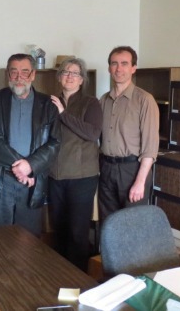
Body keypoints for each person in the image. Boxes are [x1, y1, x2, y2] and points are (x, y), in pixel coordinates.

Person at [0, 53, 61, 237]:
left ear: (33, 74)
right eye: (14, 72)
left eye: (25, 72)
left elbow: (55, 142)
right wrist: (22, 167)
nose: (19, 78)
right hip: (1, 179)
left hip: (32, 182)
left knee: (28, 242)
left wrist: (30, 166)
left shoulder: (48, 104)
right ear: (7, 75)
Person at [49, 57, 102, 271]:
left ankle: (78, 280)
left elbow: (92, 133)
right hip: (54, 176)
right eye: (66, 72)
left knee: (77, 231)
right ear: (60, 77)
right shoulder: (49, 102)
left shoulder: (91, 103)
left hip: (82, 177)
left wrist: (63, 113)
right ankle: (60, 276)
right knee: (58, 230)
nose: (70, 76)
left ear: (82, 80)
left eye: (75, 73)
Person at [98, 46, 159, 222]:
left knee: (132, 226)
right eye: (114, 64)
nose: (119, 69)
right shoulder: (103, 100)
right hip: (107, 168)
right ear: (109, 68)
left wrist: (140, 182)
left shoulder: (144, 100)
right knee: (108, 225)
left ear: (133, 68)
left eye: (124, 64)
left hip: (132, 170)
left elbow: (150, 148)